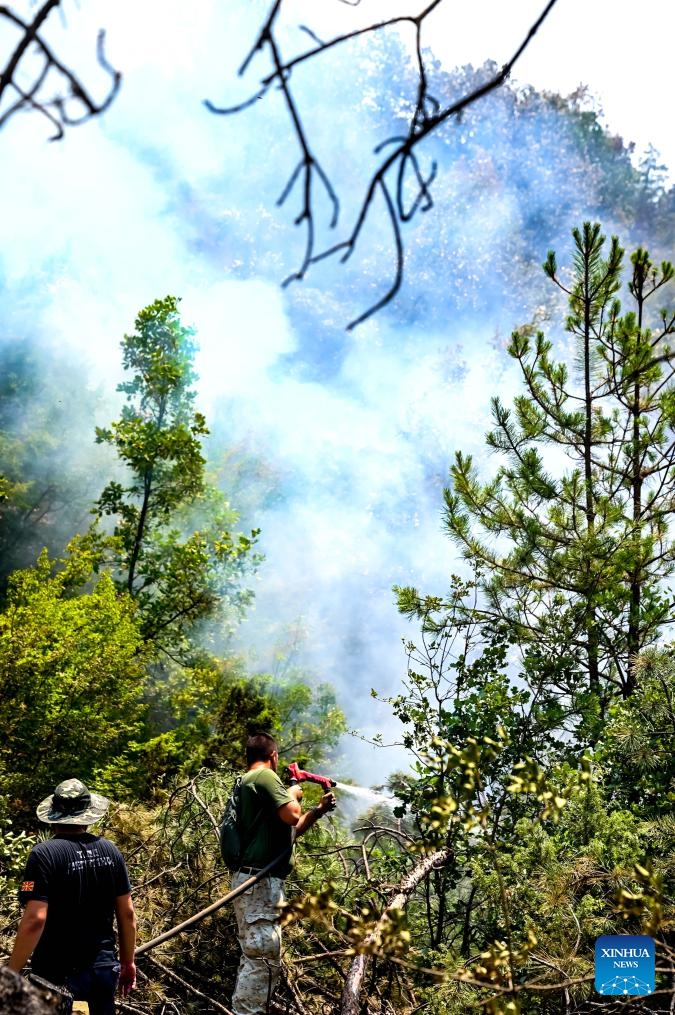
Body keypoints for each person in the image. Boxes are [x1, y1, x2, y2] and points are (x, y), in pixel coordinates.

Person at [7, 778, 137, 1015]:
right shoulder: (110, 851)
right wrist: (128, 962)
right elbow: (127, 914)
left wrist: (11, 975)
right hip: (102, 969)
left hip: (55, 974)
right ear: (88, 814)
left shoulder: (43, 854)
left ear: (54, 814)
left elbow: (35, 920)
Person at [231, 732, 336, 1015]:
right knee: (261, 957)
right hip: (258, 884)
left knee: (255, 956)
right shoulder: (264, 778)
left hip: (255, 883)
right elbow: (291, 814)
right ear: (273, 756)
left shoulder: (248, 783)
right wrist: (294, 792)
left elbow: (290, 830)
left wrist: (317, 810)